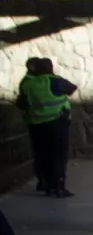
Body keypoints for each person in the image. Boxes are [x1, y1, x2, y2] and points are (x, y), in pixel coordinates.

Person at [16, 58, 76, 198]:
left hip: (36, 125)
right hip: (57, 123)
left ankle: (47, 185)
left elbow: (21, 103)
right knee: (59, 155)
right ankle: (59, 187)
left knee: (42, 154)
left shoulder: (28, 85)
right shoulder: (55, 81)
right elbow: (72, 88)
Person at [16, 58, 47, 192]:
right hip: (38, 122)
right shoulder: (29, 82)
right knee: (42, 153)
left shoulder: (31, 81)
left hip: (37, 121)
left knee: (41, 153)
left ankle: (44, 180)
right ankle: (43, 180)